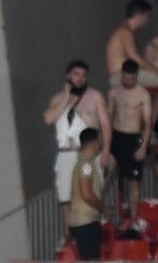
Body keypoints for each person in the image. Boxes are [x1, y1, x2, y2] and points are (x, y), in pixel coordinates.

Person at [43, 60, 111, 239]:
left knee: (91, 193)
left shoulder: (95, 97)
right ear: (68, 76)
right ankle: (69, 236)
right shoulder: (59, 98)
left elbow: (105, 124)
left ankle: (93, 230)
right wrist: (65, 99)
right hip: (66, 154)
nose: (80, 78)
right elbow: (49, 119)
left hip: (88, 153)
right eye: (76, 74)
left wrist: (105, 151)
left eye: (83, 75)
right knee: (67, 198)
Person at [107, 60, 152, 224]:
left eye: (131, 79)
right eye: (125, 78)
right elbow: (108, 117)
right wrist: (105, 143)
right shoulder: (114, 92)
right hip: (116, 136)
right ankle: (99, 213)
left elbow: (147, 124)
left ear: (136, 77)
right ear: (122, 76)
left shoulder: (143, 94)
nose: (128, 82)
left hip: (134, 139)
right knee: (104, 174)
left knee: (133, 183)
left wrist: (143, 147)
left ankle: (133, 220)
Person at [105, 0, 158, 89]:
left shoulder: (125, 31)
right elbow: (135, 58)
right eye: (147, 15)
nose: (148, 20)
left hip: (121, 75)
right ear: (139, 16)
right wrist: (157, 72)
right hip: (122, 76)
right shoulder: (125, 32)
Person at [66, 129, 106, 262]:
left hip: (79, 222)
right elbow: (86, 193)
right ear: (94, 142)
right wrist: (103, 207)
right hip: (86, 222)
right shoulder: (86, 164)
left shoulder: (81, 163)